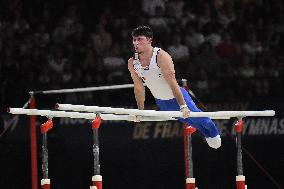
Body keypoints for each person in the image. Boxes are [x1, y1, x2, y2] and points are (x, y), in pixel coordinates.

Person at [127, 26, 221, 149]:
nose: (135, 42)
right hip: (161, 101)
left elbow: (172, 83)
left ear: (149, 40)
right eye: (134, 40)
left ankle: (213, 132)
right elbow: (139, 88)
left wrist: (183, 105)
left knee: (201, 120)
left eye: (139, 39)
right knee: (189, 121)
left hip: (178, 97)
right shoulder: (132, 62)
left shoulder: (161, 57)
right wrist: (140, 111)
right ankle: (206, 134)